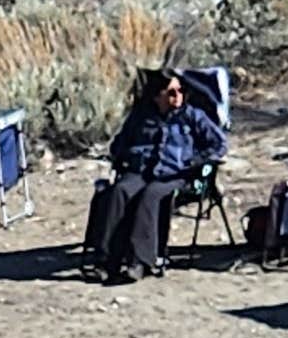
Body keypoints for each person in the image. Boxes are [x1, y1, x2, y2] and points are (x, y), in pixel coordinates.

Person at [87, 69, 225, 282]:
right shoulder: (141, 117)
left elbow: (219, 144)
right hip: (141, 171)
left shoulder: (192, 116)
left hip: (176, 174)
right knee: (119, 192)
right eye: (171, 92)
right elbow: (119, 144)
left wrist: (194, 161)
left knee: (150, 197)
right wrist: (125, 156)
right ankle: (106, 261)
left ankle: (140, 261)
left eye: (181, 91)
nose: (178, 96)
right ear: (156, 95)